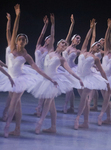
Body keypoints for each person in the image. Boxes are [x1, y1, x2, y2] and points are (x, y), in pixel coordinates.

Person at [3, 4, 58, 138]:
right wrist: (17, 17)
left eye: (23, 40)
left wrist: (49, 78)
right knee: (17, 106)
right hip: (9, 76)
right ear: (16, 41)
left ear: (26, 42)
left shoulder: (27, 55)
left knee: (13, 103)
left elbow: (37, 68)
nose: (21, 41)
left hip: (20, 79)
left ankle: (6, 127)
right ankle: (17, 129)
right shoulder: (12, 47)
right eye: (19, 39)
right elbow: (12, 31)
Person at [74, 19, 110, 129]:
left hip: (89, 78)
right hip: (79, 77)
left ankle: (77, 119)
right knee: (84, 101)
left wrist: (107, 82)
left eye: (100, 46)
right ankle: (86, 122)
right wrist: (91, 28)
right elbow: (86, 38)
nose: (99, 47)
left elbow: (102, 71)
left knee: (83, 98)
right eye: (97, 45)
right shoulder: (83, 50)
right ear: (93, 46)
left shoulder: (96, 59)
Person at [34, 15, 54, 117]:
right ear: (46, 40)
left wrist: (52, 25)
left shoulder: (50, 50)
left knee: (42, 91)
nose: (50, 40)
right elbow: (41, 35)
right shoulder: (38, 46)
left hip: (43, 71)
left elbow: (52, 36)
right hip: (34, 70)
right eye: (49, 39)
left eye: (51, 39)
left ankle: (39, 107)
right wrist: (45, 24)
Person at [62, 15, 81, 113]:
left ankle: (66, 105)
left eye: (79, 39)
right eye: (77, 38)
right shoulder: (65, 46)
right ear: (73, 39)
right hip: (62, 68)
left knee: (69, 88)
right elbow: (69, 34)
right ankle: (72, 107)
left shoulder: (78, 51)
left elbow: (86, 57)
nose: (78, 40)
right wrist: (72, 23)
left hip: (72, 69)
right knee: (69, 89)